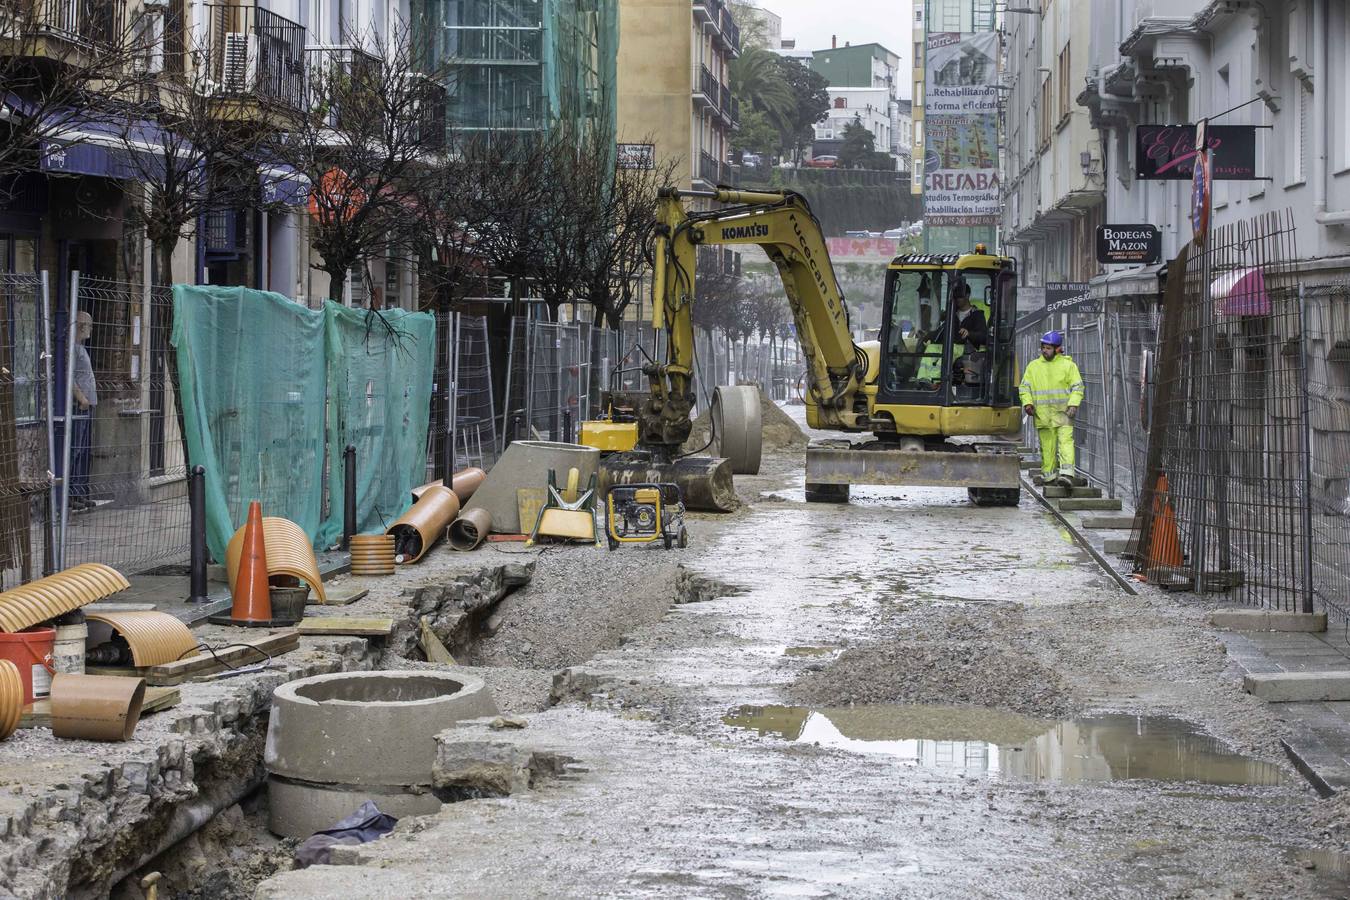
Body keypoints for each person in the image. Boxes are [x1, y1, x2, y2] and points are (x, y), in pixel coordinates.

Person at [1019, 330, 1084, 486]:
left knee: (1065, 443)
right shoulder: (1033, 367)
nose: (1045, 351)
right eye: (1043, 347)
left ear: (1057, 349)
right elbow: (1024, 388)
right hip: (1043, 416)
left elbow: (1077, 387)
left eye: (1048, 348)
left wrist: (1073, 404)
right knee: (1047, 448)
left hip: (1063, 413)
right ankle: (1049, 477)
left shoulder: (1068, 366)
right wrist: (1027, 403)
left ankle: (1067, 474)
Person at [70, 310, 97, 510]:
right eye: (89, 324)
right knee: (75, 449)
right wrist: (81, 398)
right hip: (80, 406)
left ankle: (79, 491)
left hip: (87, 405)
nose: (91, 328)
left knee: (83, 450)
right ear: (81, 325)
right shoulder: (74, 348)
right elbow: (68, 375)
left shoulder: (81, 348)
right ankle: (71, 493)